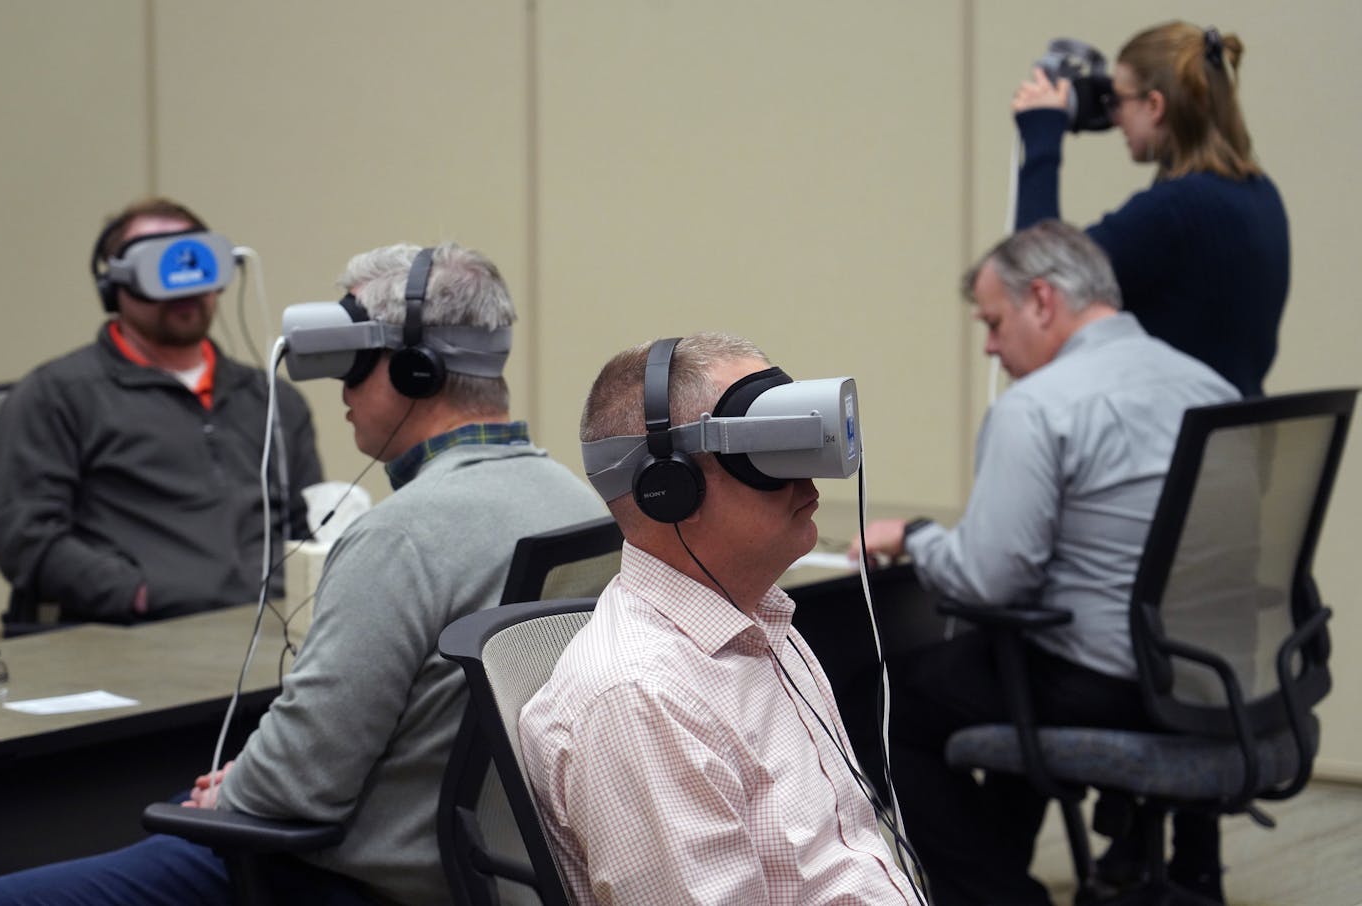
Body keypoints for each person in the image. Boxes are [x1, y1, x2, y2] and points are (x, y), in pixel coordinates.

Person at [0, 241, 608, 905]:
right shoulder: (576, 503)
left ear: (413, 370)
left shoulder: (400, 536)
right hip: (482, 871)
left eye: (351, 367)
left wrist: (234, 788)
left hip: (343, 872)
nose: (340, 392)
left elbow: (298, 784)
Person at [850, 221, 1238, 906]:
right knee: (996, 676)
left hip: (1107, 679)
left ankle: (997, 897)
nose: (992, 349)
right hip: (1213, 674)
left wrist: (916, 537)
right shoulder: (1210, 383)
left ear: (1043, 301)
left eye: (994, 323)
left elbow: (990, 580)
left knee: (884, 701)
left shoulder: (1037, 408)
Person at [520, 332, 918, 905]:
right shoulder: (641, 698)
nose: (808, 480)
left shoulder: (759, 621)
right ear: (669, 487)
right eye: (766, 453)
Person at [0, 197, 323, 624]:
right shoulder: (57, 395)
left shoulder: (272, 400)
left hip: (268, 634)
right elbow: (21, 532)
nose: (184, 288)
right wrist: (134, 594)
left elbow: (308, 527)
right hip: (134, 638)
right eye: (158, 267)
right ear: (113, 287)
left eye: (196, 263)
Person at [1013, 21, 1287, 398]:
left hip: (1166, 441)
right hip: (1232, 440)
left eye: (1119, 101)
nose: (1113, 118)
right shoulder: (1261, 194)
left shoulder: (1174, 210)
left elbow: (1037, 279)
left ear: (1155, 105)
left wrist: (1042, 136)